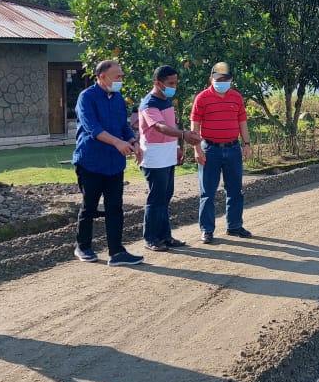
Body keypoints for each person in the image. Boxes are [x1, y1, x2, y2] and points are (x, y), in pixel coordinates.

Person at [72, 60, 144, 266]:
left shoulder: (119, 98)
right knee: (90, 206)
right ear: (102, 77)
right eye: (117, 77)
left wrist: (133, 142)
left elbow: (123, 126)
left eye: (121, 76)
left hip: (114, 163)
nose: (120, 80)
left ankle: (117, 251)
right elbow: (92, 128)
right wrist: (118, 142)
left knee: (115, 207)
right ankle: (83, 246)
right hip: (90, 161)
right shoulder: (86, 98)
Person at [138, 65, 201, 252]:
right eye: (170, 83)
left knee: (165, 197)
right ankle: (150, 237)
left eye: (176, 82)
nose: (174, 86)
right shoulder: (149, 104)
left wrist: (176, 147)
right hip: (154, 157)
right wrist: (183, 135)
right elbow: (159, 126)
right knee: (156, 198)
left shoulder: (166, 101)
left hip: (167, 154)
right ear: (158, 83)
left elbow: (170, 127)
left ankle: (165, 236)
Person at [191, 61, 252, 244]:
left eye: (226, 79)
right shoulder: (202, 98)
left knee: (235, 190)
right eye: (219, 79)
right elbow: (195, 125)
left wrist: (246, 143)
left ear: (231, 80)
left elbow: (242, 122)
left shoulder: (236, 97)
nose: (222, 82)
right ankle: (207, 230)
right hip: (210, 149)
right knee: (207, 192)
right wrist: (196, 149)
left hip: (233, 149)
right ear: (211, 79)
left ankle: (234, 226)